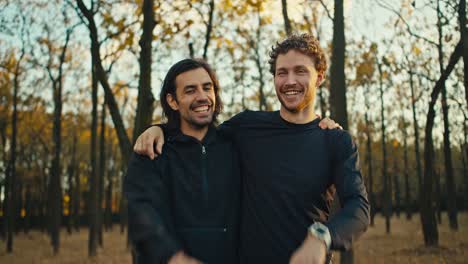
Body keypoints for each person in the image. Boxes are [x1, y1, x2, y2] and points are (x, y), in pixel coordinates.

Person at [135, 33, 370, 263]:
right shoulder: (247, 126)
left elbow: (358, 208)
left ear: (319, 77)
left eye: (300, 71)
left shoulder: (336, 141)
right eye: (282, 73)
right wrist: (161, 129)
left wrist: (323, 237)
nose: (290, 81)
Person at [124, 59, 241, 264]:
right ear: (172, 101)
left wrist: (316, 125)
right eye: (190, 90)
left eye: (207, 88)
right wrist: (172, 257)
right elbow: (140, 212)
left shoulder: (236, 146)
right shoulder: (152, 151)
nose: (202, 97)